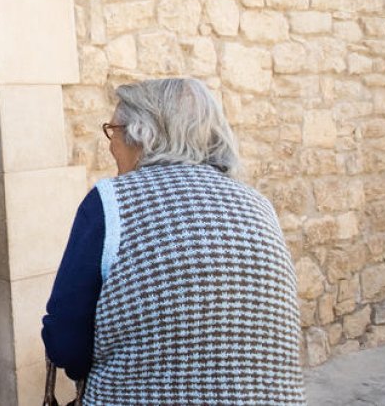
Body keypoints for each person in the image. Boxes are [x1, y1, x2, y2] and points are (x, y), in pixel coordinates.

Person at [41, 78, 305, 404]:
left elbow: (66, 342)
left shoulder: (111, 202)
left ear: (141, 133)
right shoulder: (257, 204)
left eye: (114, 129)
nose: (111, 145)